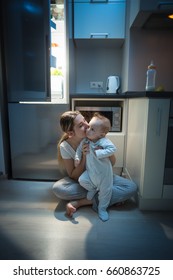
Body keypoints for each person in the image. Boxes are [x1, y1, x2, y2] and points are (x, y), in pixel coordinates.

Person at [52, 110, 137, 218]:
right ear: (70, 133)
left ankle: (80, 202)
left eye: (85, 120)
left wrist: (104, 152)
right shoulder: (65, 146)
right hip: (84, 180)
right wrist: (83, 156)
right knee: (58, 189)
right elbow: (73, 176)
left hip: (102, 174)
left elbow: (112, 163)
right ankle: (107, 197)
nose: (87, 125)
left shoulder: (95, 134)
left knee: (131, 187)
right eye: (81, 125)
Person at [75, 113, 116, 221]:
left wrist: (100, 152)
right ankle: (93, 189)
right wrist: (77, 158)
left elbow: (112, 149)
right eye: (88, 127)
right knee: (82, 180)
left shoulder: (103, 141)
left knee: (105, 193)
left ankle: (102, 209)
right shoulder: (85, 141)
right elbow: (79, 150)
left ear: (101, 135)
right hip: (91, 173)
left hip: (104, 175)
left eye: (92, 129)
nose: (88, 130)